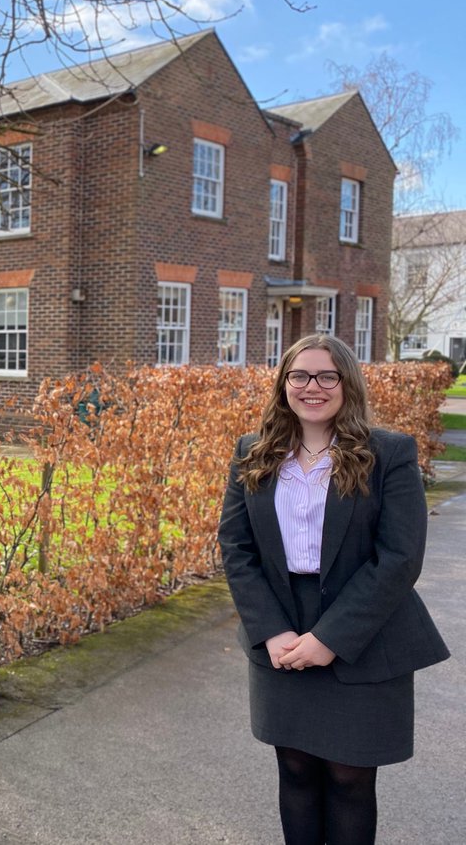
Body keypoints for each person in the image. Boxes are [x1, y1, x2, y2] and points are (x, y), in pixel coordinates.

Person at [218, 333, 449, 844]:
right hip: (279, 627)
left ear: (347, 382)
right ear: (283, 385)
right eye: (299, 375)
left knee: (349, 777)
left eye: (327, 375)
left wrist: (331, 639)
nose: (312, 387)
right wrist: (271, 630)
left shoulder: (388, 453)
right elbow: (236, 546)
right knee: (296, 770)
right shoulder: (253, 453)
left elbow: (400, 557)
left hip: (364, 630)